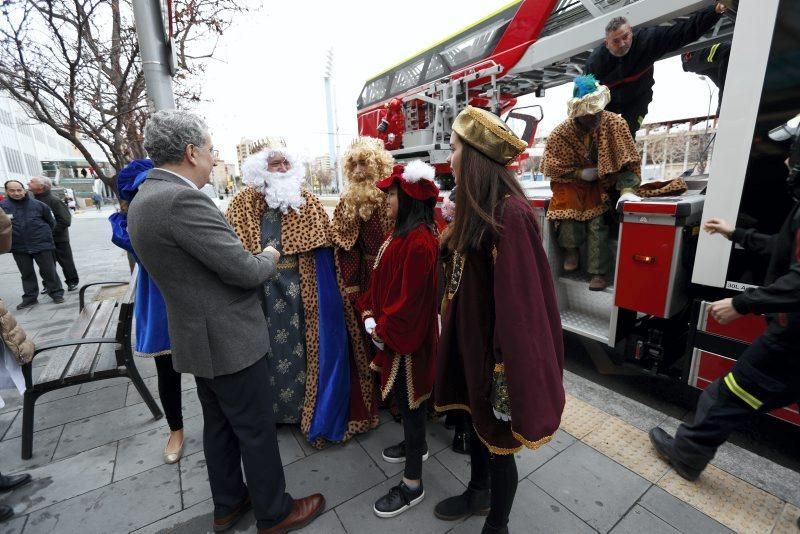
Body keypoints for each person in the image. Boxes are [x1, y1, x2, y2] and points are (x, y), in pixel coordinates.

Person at [128, 110, 323, 533]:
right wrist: (270, 255)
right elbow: (245, 271)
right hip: (230, 340)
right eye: (212, 150)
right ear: (190, 151)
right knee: (255, 429)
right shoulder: (182, 200)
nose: (214, 159)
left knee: (218, 428)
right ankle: (275, 512)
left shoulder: (145, 197)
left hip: (196, 338)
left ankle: (229, 504)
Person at [435, 106, 565, 534]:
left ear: (473, 156)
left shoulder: (510, 214)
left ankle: (498, 523)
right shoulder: (478, 207)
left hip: (495, 353)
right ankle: (477, 491)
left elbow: (522, 307)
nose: (448, 158)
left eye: (453, 149)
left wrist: (505, 370)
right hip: (471, 343)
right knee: (477, 428)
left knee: (499, 443)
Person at [649, 115, 800, 483]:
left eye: (791, 153)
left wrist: (743, 303)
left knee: (728, 393)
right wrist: (737, 234)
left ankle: (686, 454)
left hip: (791, 339)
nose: (785, 161)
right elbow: (782, 248)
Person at [227, 147, 378, 445]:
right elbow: (236, 247)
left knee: (305, 349)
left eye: (286, 162)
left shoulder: (305, 198)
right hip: (264, 290)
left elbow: (328, 237)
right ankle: (272, 412)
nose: (283, 167)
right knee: (269, 350)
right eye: (275, 163)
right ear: (261, 169)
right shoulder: (244, 202)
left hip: (304, 286)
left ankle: (303, 410)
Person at [357, 160, 440, 518]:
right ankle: (414, 445)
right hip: (396, 333)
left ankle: (413, 483)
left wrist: (382, 329)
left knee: (411, 400)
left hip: (408, 341)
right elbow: (385, 281)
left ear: (408, 197)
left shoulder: (419, 242)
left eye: (392, 194)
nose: (386, 200)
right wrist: (371, 312)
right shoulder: (402, 234)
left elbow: (409, 305)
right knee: (408, 403)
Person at [109, 159, 185, 465]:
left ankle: (220, 426)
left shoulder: (179, 205)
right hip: (159, 298)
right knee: (167, 371)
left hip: (192, 295)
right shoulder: (131, 224)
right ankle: (175, 430)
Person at [542, 75, 642, 291]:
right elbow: (551, 166)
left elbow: (629, 158)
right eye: (587, 114)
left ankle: (597, 273)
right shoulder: (561, 133)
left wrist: (618, 182)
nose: (593, 117)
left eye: (596, 112)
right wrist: (580, 173)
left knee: (597, 224)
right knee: (567, 210)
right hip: (574, 183)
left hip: (606, 184)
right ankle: (571, 250)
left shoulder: (615, 123)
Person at [329, 136, 394, 428]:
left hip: (397, 272)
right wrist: (352, 285)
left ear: (377, 164)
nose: (358, 170)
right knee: (372, 338)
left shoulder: (394, 192)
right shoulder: (349, 201)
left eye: (363, 163)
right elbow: (346, 246)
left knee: (398, 332)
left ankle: (401, 396)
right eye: (352, 164)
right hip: (369, 276)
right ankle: (381, 395)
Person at [586, 3, 727, 135]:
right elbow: (585, 97)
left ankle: (626, 159)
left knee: (626, 134)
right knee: (596, 135)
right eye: (616, 41)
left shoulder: (647, 41)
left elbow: (683, 32)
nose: (622, 44)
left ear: (631, 32)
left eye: (625, 37)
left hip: (638, 99)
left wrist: (716, 11)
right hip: (609, 102)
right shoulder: (596, 63)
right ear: (607, 43)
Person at [0, 180, 65, 309]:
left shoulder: (39, 205)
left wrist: (43, 236)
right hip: (18, 246)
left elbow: (51, 223)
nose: (16, 193)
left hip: (41, 244)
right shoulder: (2, 207)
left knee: (49, 271)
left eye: (19, 190)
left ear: (24, 190)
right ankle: (30, 297)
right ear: (7, 191)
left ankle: (56, 293)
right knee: (26, 273)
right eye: (12, 190)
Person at [28, 176, 80, 292]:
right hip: (41, 240)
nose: (28, 183)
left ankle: (72, 282)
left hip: (59, 238)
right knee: (46, 264)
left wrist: (50, 233)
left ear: (41, 187)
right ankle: (48, 284)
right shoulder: (31, 200)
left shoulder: (54, 201)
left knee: (66, 262)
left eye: (32, 181)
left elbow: (65, 220)